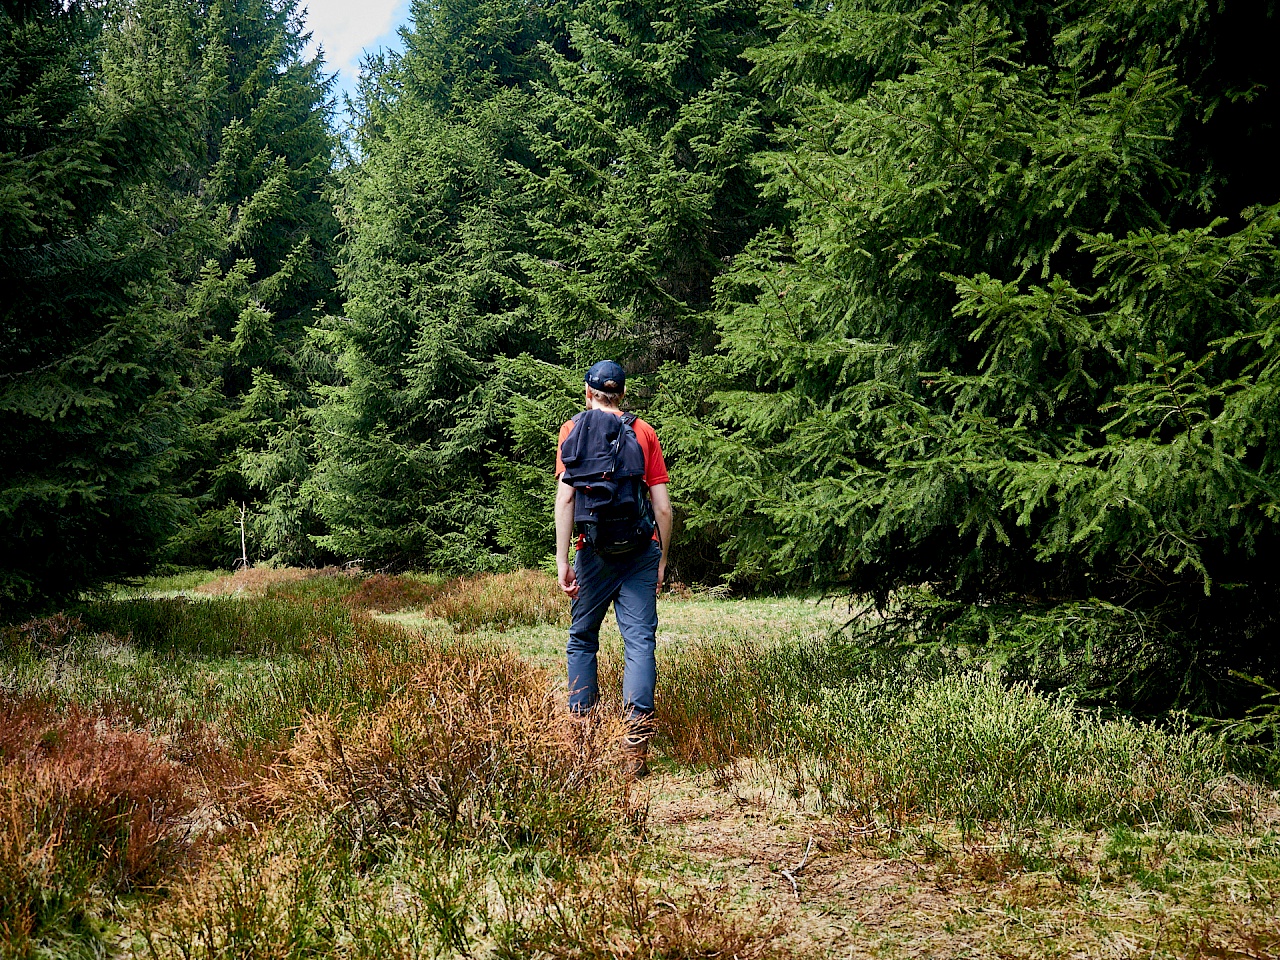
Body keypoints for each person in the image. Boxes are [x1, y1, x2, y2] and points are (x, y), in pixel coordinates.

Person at [555, 360, 672, 778]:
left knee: (583, 639)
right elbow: (661, 505)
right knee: (639, 643)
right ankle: (636, 746)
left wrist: (563, 559)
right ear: (621, 395)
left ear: (588, 393)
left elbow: (566, 500)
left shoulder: (572, 430)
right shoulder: (643, 432)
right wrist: (660, 558)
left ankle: (583, 737)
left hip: (593, 553)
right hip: (640, 551)